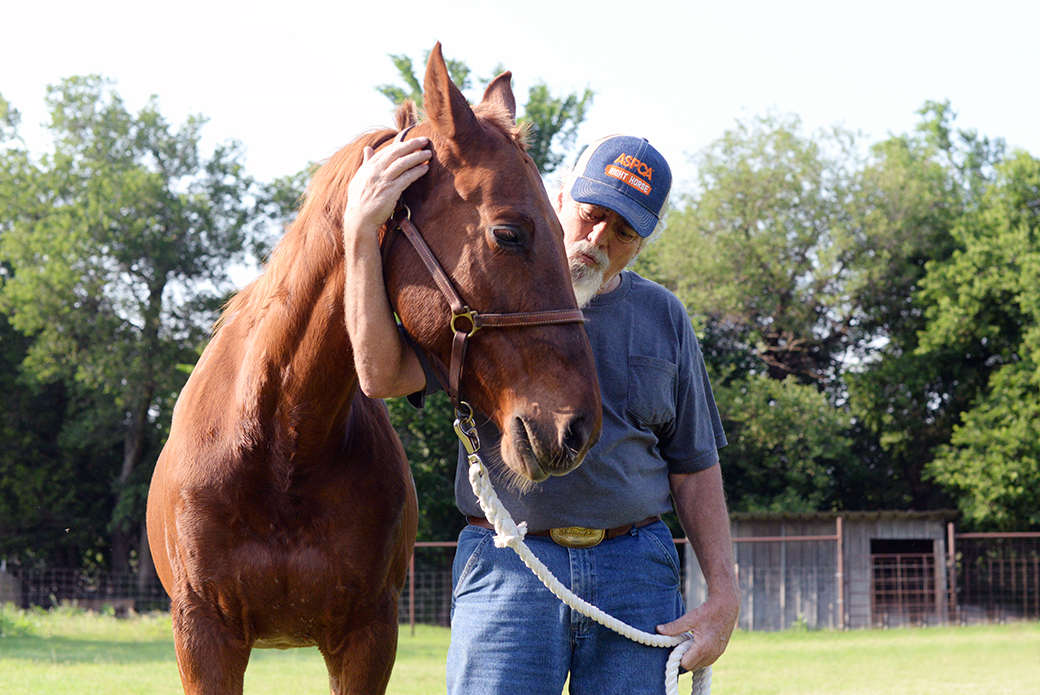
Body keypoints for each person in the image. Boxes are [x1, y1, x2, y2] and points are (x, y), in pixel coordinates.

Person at [343, 131, 739, 695]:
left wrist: (724, 596)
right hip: (509, 562)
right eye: (591, 212)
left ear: (642, 244)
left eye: (623, 230)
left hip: (636, 571)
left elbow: (694, 467)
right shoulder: (490, 290)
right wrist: (360, 233)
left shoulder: (663, 317)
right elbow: (381, 375)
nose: (599, 237)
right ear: (559, 196)